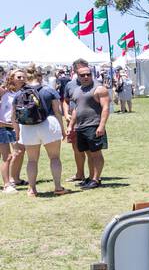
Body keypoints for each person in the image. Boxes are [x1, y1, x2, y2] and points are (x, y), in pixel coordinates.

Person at [14, 65, 67, 196]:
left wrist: (17, 133)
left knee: (31, 160)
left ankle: (32, 189)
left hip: (27, 127)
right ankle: (58, 187)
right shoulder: (49, 90)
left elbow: (14, 116)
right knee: (54, 158)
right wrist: (62, 129)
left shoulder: (19, 93)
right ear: (40, 76)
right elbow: (57, 112)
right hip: (48, 124)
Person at [63, 60, 110, 188]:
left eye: (88, 74)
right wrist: (70, 126)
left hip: (93, 125)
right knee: (88, 153)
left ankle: (96, 179)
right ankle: (90, 177)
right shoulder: (77, 90)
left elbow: (105, 108)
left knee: (96, 153)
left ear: (92, 74)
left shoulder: (99, 89)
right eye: (82, 75)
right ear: (77, 76)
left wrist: (101, 126)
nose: (86, 77)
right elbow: (76, 110)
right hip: (80, 127)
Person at [0, 70, 21, 193]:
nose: (22, 79)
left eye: (23, 77)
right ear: (11, 78)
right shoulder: (3, 91)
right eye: (19, 77)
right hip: (4, 127)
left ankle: (14, 179)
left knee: (18, 152)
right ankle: (6, 184)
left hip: (15, 126)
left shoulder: (21, 92)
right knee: (6, 157)